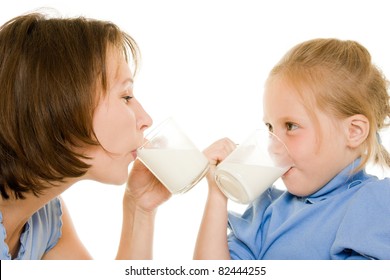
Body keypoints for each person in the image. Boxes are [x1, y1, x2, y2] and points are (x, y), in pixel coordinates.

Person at [0, 12, 233, 260]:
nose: (145, 119)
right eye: (126, 97)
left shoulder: (45, 218)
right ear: (60, 105)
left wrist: (139, 209)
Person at [194, 38, 390, 260]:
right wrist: (218, 193)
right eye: (269, 127)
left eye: (291, 126)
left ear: (353, 131)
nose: (274, 147)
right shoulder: (266, 209)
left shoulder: (374, 203)